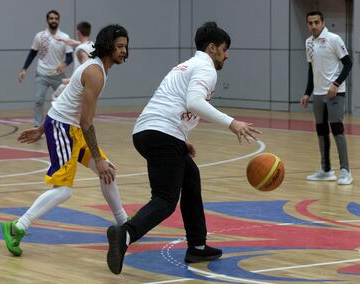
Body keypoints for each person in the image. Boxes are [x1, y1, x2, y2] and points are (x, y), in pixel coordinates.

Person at [106, 22, 261, 275]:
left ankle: (197, 245)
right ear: (212, 48)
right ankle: (125, 234)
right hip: (162, 132)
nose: (227, 54)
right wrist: (232, 123)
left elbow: (173, 101)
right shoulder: (206, 68)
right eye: (224, 49)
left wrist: (181, 138)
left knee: (191, 178)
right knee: (166, 200)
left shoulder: (185, 65)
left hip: (149, 131)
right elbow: (194, 102)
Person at [2, 24, 130, 257]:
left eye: (125, 46)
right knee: (64, 191)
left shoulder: (100, 68)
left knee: (107, 170)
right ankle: (18, 226)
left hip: (66, 126)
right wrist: (48, 128)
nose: (124, 50)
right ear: (107, 47)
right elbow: (86, 122)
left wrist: (42, 128)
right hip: (64, 129)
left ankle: (125, 225)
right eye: (119, 46)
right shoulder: (95, 73)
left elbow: (66, 100)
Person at [300, 11, 353, 185]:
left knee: (337, 129)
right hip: (318, 94)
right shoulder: (308, 42)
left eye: (316, 22)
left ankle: (345, 171)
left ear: (323, 22)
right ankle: (326, 170)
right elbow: (311, 69)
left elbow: (348, 63)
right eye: (310, 23)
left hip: (335, 93)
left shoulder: (334, 39)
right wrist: (307, 92)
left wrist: (336, 84)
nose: (313, 26)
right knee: (321, 132)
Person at [18, 10, 74, 127]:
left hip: (58, 76)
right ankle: (37, 126)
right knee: (39, 100)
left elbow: (70, 57)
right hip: (42, 74)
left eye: (56, 18)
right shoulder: (40, 36)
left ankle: (64, 123)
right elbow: (32, 53)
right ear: (47, 20)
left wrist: (64, 64)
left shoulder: (64, 37)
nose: (53, 20)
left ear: (59, 20)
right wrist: (24, 69)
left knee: (65, 100)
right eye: (51, 18)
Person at [51, 21, 94, 100]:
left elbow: (86, 69)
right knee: (57, 95)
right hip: (86, 84)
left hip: (78, 84)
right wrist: (61, 39)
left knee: (57, 97)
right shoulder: (91, 45)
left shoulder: (81, 50)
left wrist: (70, 80)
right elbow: (72, 42)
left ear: (78, 33)